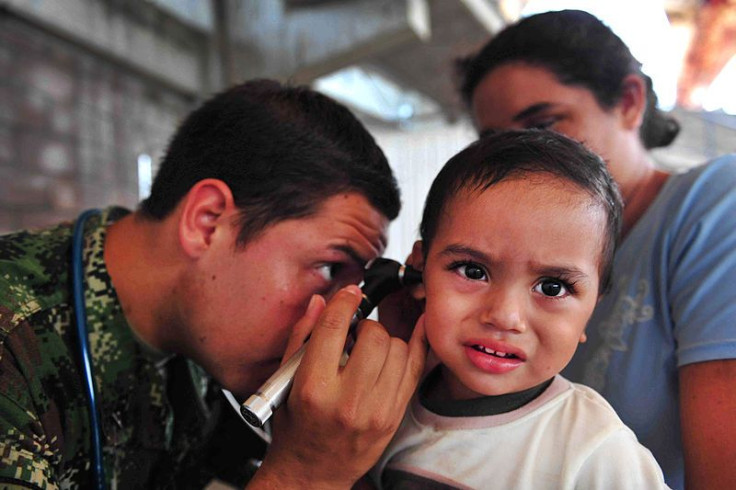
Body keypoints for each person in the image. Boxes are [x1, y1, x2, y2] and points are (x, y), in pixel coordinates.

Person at [0, 79, 427, 489]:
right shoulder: (13, 343)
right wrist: (306, 472)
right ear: (207, 222)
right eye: (330, 269)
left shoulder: (198, 335)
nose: (334, 320)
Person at [456, 9, 736, 490]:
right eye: (496, 146)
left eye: (544, 126)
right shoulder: (514, 271)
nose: (522, 163)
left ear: (628, 102)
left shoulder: (714, 205)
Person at [370, 129, 669, 489]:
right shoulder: (377, 406)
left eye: (552, 287)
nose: (505, 316)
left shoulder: (596, 452)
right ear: (419, 271)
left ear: (591, 311)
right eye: (473, 271)